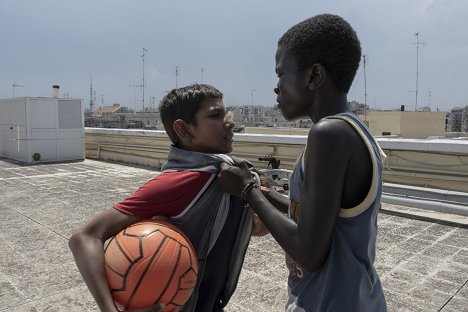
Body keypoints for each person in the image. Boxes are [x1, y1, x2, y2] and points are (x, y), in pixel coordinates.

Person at [218, 14, 388, 311]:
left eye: (281, 74)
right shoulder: (353, 130)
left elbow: (309, 252)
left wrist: (248, 192)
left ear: (314, 76)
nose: (276, 87)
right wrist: (267, 192)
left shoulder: (328, 134)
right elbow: (314, 217)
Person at [69, 84, 263, 312]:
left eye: (225, 114)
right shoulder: (182, 181)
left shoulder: (230, 175)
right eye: (215, 115)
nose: (229, 122)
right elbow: (85, 237)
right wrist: (110, 309)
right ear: (184, 130)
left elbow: (252, 228)